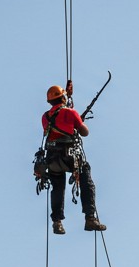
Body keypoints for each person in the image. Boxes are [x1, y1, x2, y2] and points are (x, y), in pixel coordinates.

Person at [40, 85, 106, 235]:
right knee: (86, 177)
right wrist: (79, 121)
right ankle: (90, 218)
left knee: (57, 187)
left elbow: (58, 123)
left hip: (52, 158)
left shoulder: (45, 117)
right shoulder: (70, 113)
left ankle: (57, 222)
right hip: (69, 156)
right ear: (63, 98)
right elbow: (84, 132)